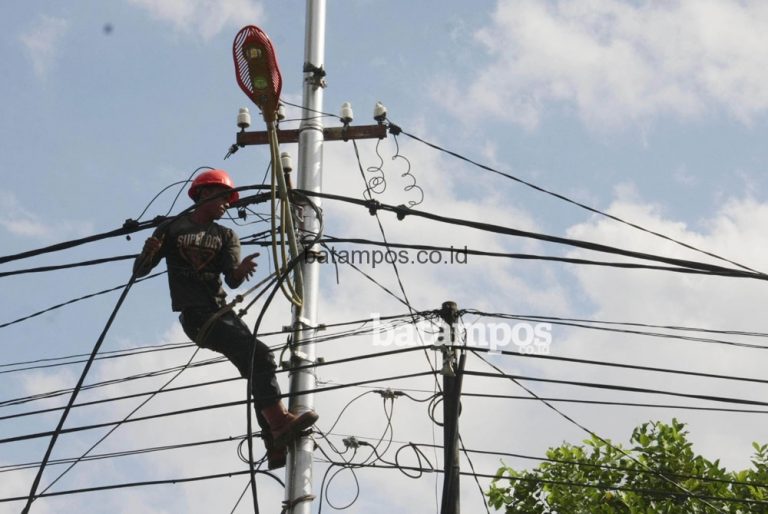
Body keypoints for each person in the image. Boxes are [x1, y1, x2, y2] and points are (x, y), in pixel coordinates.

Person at [133, 168, 318, 470]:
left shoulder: (226, 235)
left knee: (256, 364)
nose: (227, 205)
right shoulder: (172, 227)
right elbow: (140, 271)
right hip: (196, 316)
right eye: (223, 197)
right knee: (260, 354)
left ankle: (274, 442)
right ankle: (279, 422)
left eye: (229, 200)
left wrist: (240, 271)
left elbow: (231, 280)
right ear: (204, 193)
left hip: (221, 312)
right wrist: (148, 252)